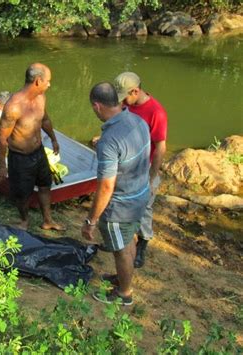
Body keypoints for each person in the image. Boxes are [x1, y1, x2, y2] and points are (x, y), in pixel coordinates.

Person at [82, 82, 150, 306]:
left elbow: (106, 187)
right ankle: (123, 277)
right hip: (140, 195)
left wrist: (91, 220)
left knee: (120, 250)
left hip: (121, 207)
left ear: (96, 106)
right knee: (128, 240)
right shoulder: (137, 121)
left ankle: (124, 293)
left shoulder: (109, 140)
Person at [0, 63, 65, 231]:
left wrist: (54, 139)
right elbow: (2, 138)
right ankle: (24, 221)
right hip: (20, 157)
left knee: (45, 185)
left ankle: (47, 220)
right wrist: (3, 166)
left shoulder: (41, 98)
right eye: (47, 81)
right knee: (22, 194)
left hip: (38, 152)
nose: (49, 84)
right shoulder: (13, 106)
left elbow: (45, 120)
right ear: (37, 81)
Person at [114, 72, 168, 268]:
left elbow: (160, 147)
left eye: (125, 97)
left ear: (135, 91)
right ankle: (120, 240)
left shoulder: (155, 112)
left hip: (144, 170)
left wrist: (152, 178)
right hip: (126, 166)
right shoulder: (127, 105)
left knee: (144, 208)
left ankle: (143, 243)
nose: (122, 102)